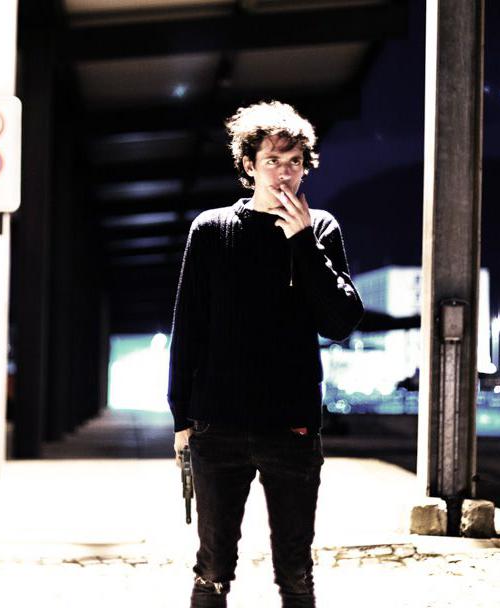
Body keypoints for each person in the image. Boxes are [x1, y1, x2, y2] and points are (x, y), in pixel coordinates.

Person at [167, 100, 364, 608]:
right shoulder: (211, 229)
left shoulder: (321, 228)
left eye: (294, 161)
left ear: (305, 167)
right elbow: (187, 328)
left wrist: (303, 242)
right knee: (213, 568)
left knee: (295, 571)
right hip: (217, 423)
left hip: (291, 424)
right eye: (272, 160)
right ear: (249, 164)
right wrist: (181, 418)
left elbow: (341, 322)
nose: (284, 173)